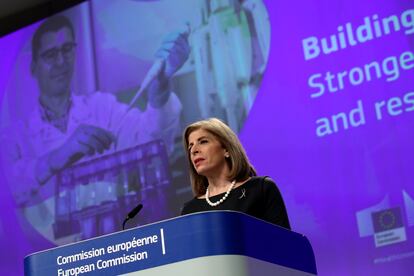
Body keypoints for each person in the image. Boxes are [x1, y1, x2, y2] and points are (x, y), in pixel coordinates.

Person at [0, 14, 190, 207]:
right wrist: (56, 157)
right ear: (33, 67)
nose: (61, 61)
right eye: (50, 54)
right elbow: (7, 190)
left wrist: (159, 95)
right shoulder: (15, 137)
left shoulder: (102, 107)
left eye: (67, 50)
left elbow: (152, 143)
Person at [180, 118, 291, 229]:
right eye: (190, 146)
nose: (194, 150)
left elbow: (285, 243)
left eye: (203, 141)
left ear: (226, 149)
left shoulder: (261, 189)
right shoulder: (189, 211)